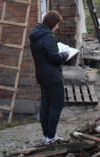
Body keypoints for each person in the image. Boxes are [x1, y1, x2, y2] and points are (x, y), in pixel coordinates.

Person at [29, 10, 69, 144]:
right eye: (57, 24)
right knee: (57, 105)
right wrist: (66, 54)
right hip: (52, 76)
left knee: (45, 104)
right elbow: (55, 58)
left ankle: (46, 135)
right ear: (52, 23)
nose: (58, 27)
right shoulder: (47, 37)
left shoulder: (36, 34)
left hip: (41, 74)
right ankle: (51, 136)